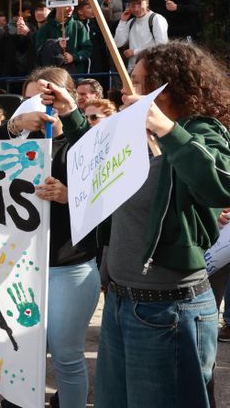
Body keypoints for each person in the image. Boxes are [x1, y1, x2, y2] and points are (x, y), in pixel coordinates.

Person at [43, 42, 230, 407]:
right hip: (119, 302)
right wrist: (71, 114)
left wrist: (170, 131)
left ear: (172, 86)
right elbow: (97, 160)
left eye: (143, 83)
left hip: (170, 309)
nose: (133, 92)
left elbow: (220, 184)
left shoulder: (201, 130)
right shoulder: (137, 133)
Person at [0, 69, 101, 408]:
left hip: (67, 267)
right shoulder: (15, 140)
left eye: (46, 99)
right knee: (19, 354)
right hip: (17, 268)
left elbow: (102, 186)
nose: (36, 108)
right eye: (28, 100)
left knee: (66, 357)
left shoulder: (81, 140)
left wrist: (70, 196)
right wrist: (15, 126)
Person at [114, 0, 169, 71]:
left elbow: (162, 45)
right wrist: (122, 21)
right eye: (132, 5)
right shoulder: (131, 22)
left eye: (139, 4)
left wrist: (135, 52)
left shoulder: (156, 19)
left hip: (152, 67)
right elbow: (117, 43)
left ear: (147, 3)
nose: (136, 9)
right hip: (133, 69)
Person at [36, 6, 92, 73]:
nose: (71, 8)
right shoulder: (45, 28)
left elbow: (87, 50)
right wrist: (55, 45)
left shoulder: (78, 26)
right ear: (57, 6)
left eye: (73, 5)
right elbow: (39, 51)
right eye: (67, 6)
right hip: (53, 75)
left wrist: (73, 57)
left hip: (76, 75)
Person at [75, 0, 110, 73]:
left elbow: (107, 19)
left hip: (99, 64)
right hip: (82, 66)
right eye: (89, 7)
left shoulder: (97, 23)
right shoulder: (75, 25)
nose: (93, 9)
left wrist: (106, 4)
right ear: (80, 11)